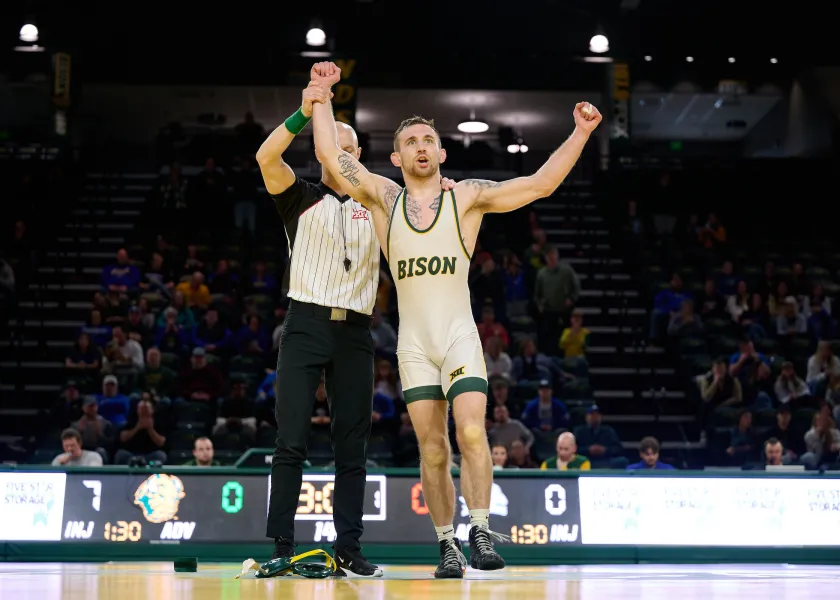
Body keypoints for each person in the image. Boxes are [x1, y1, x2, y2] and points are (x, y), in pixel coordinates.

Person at [309, 61, 602, 578]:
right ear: (396, 156)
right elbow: (330, 156)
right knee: (432, 447)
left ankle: (481, 530)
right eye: (411, 141)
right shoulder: (383, 197)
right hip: (415, 345)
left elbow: (539, 185)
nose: (422, 146)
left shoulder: (465, 197)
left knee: (470, 434)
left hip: (460, 338)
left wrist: (579, 132)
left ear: (442, 153)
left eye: (430, 139)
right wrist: (322, 94)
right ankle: (447, 544)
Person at [255, 76, 455, 578]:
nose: (339, 157)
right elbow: (264, 157)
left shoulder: (382, 204)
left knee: (353, 444)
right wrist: (305, 110)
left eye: (347, 149)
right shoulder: (297, 198)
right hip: (304, 324)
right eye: (330, 148)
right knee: (292, 439)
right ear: (320, 153)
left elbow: (426, 199)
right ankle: (281, 545)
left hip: (356, 333)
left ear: (359, 154)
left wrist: (441, 188)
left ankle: (349, 548)